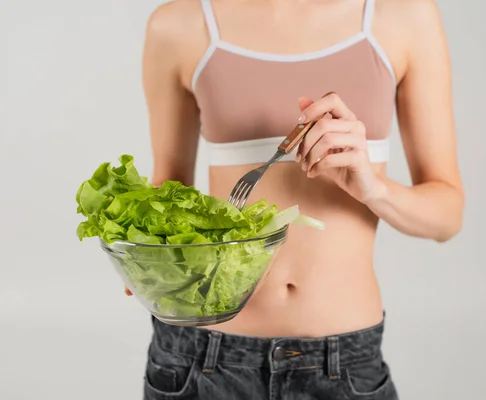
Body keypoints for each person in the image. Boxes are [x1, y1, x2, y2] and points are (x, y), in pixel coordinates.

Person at [134, 0, 464, 398]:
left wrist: (374, 189)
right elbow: (168, 192)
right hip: (202, 357)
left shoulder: (402, 16)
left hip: (342, 364)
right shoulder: (178, 25)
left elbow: (447, 216)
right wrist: (146, 255)